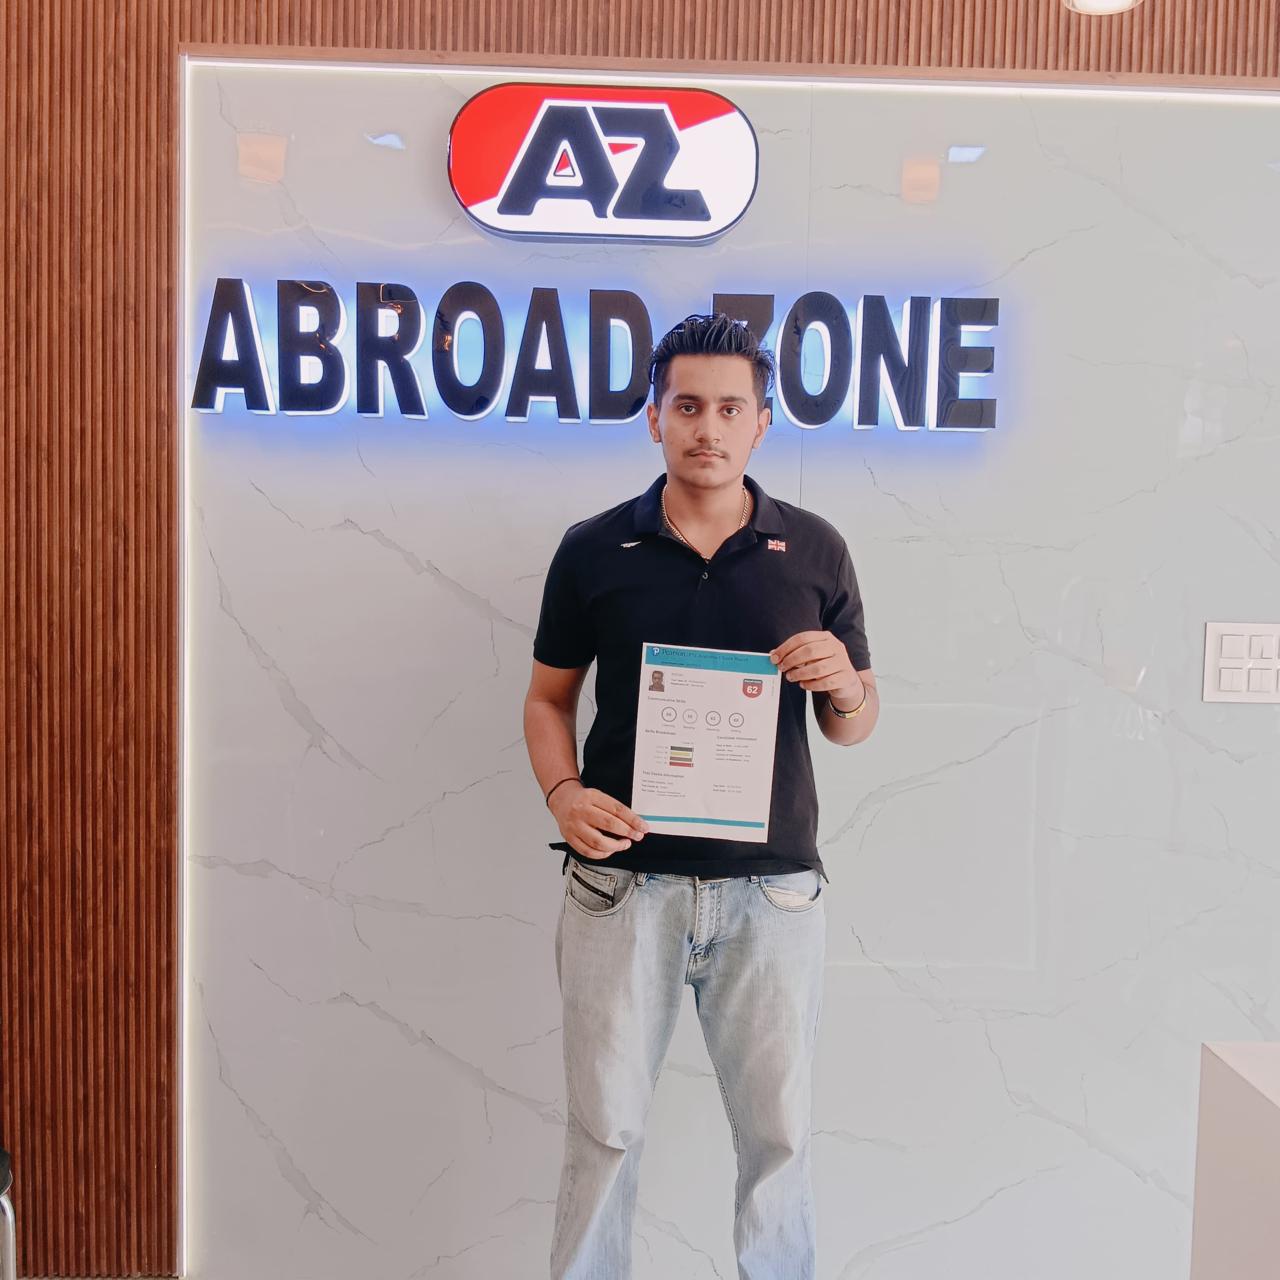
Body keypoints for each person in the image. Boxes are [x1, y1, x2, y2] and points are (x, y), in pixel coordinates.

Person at [523, 313, 878, 1279]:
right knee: (604, 1133)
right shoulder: (595, 549)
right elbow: (548, 700)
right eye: (687, 406)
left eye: (730, 408)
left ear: (762, 422)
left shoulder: (815, 549)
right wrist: (563, 792)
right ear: (655, 417)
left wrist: (845, 686)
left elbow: (852, 722)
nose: (707, 428)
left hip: (772, 894)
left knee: (780, 1140)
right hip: (619, 887)